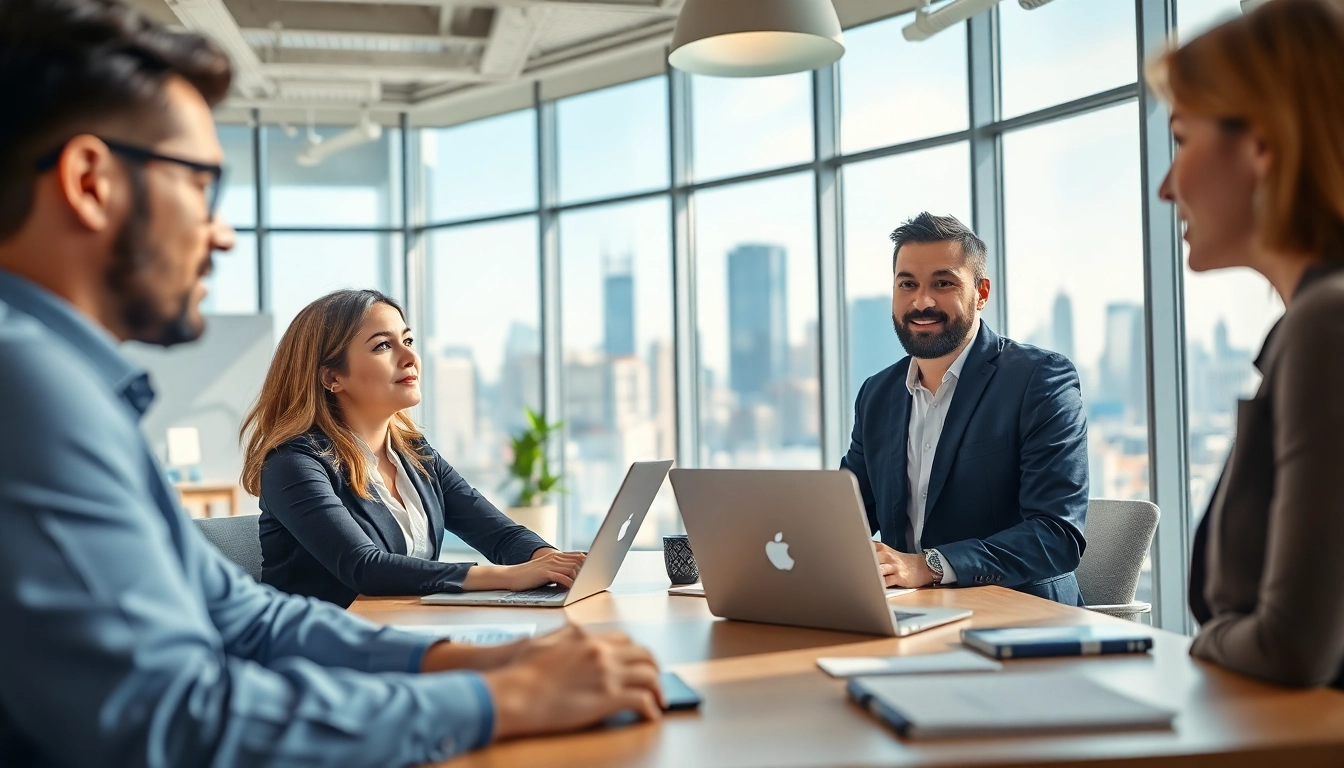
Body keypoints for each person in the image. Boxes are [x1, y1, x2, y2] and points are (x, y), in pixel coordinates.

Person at [0, 0, 663, 765]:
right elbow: (167, 717)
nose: (222, 233)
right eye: (201, 185)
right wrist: (499, 701)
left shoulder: (72, 386)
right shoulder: (28, 387)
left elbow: (246, 619)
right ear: (91, 181)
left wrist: (467, 660)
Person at [1150, 0, 1344, 688]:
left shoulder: (1327, 322)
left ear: (1262, 144)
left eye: (1180, 139)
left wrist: (1204, 644)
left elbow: (1290, 647)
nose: (1167, 187)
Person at [242, 289, 584, 608]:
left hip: (404, 630)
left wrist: (551, 563)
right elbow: (365, 568)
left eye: (407, 340)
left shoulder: (416, 454)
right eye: (382, 346)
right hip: (317, 651)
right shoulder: (293, 463)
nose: (410, 357)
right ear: (332, 378)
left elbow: (501, 536)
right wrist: (510, 576)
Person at [840, 212, 1089, 604]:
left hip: (1019, 618)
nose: (922, 301)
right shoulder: (877, 394)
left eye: (943, 283)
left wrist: (929, 566)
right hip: (906, 615)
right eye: (908, 284)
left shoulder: (1039, 380)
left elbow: (1056, 535)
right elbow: (846, 517)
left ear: (981, 293)